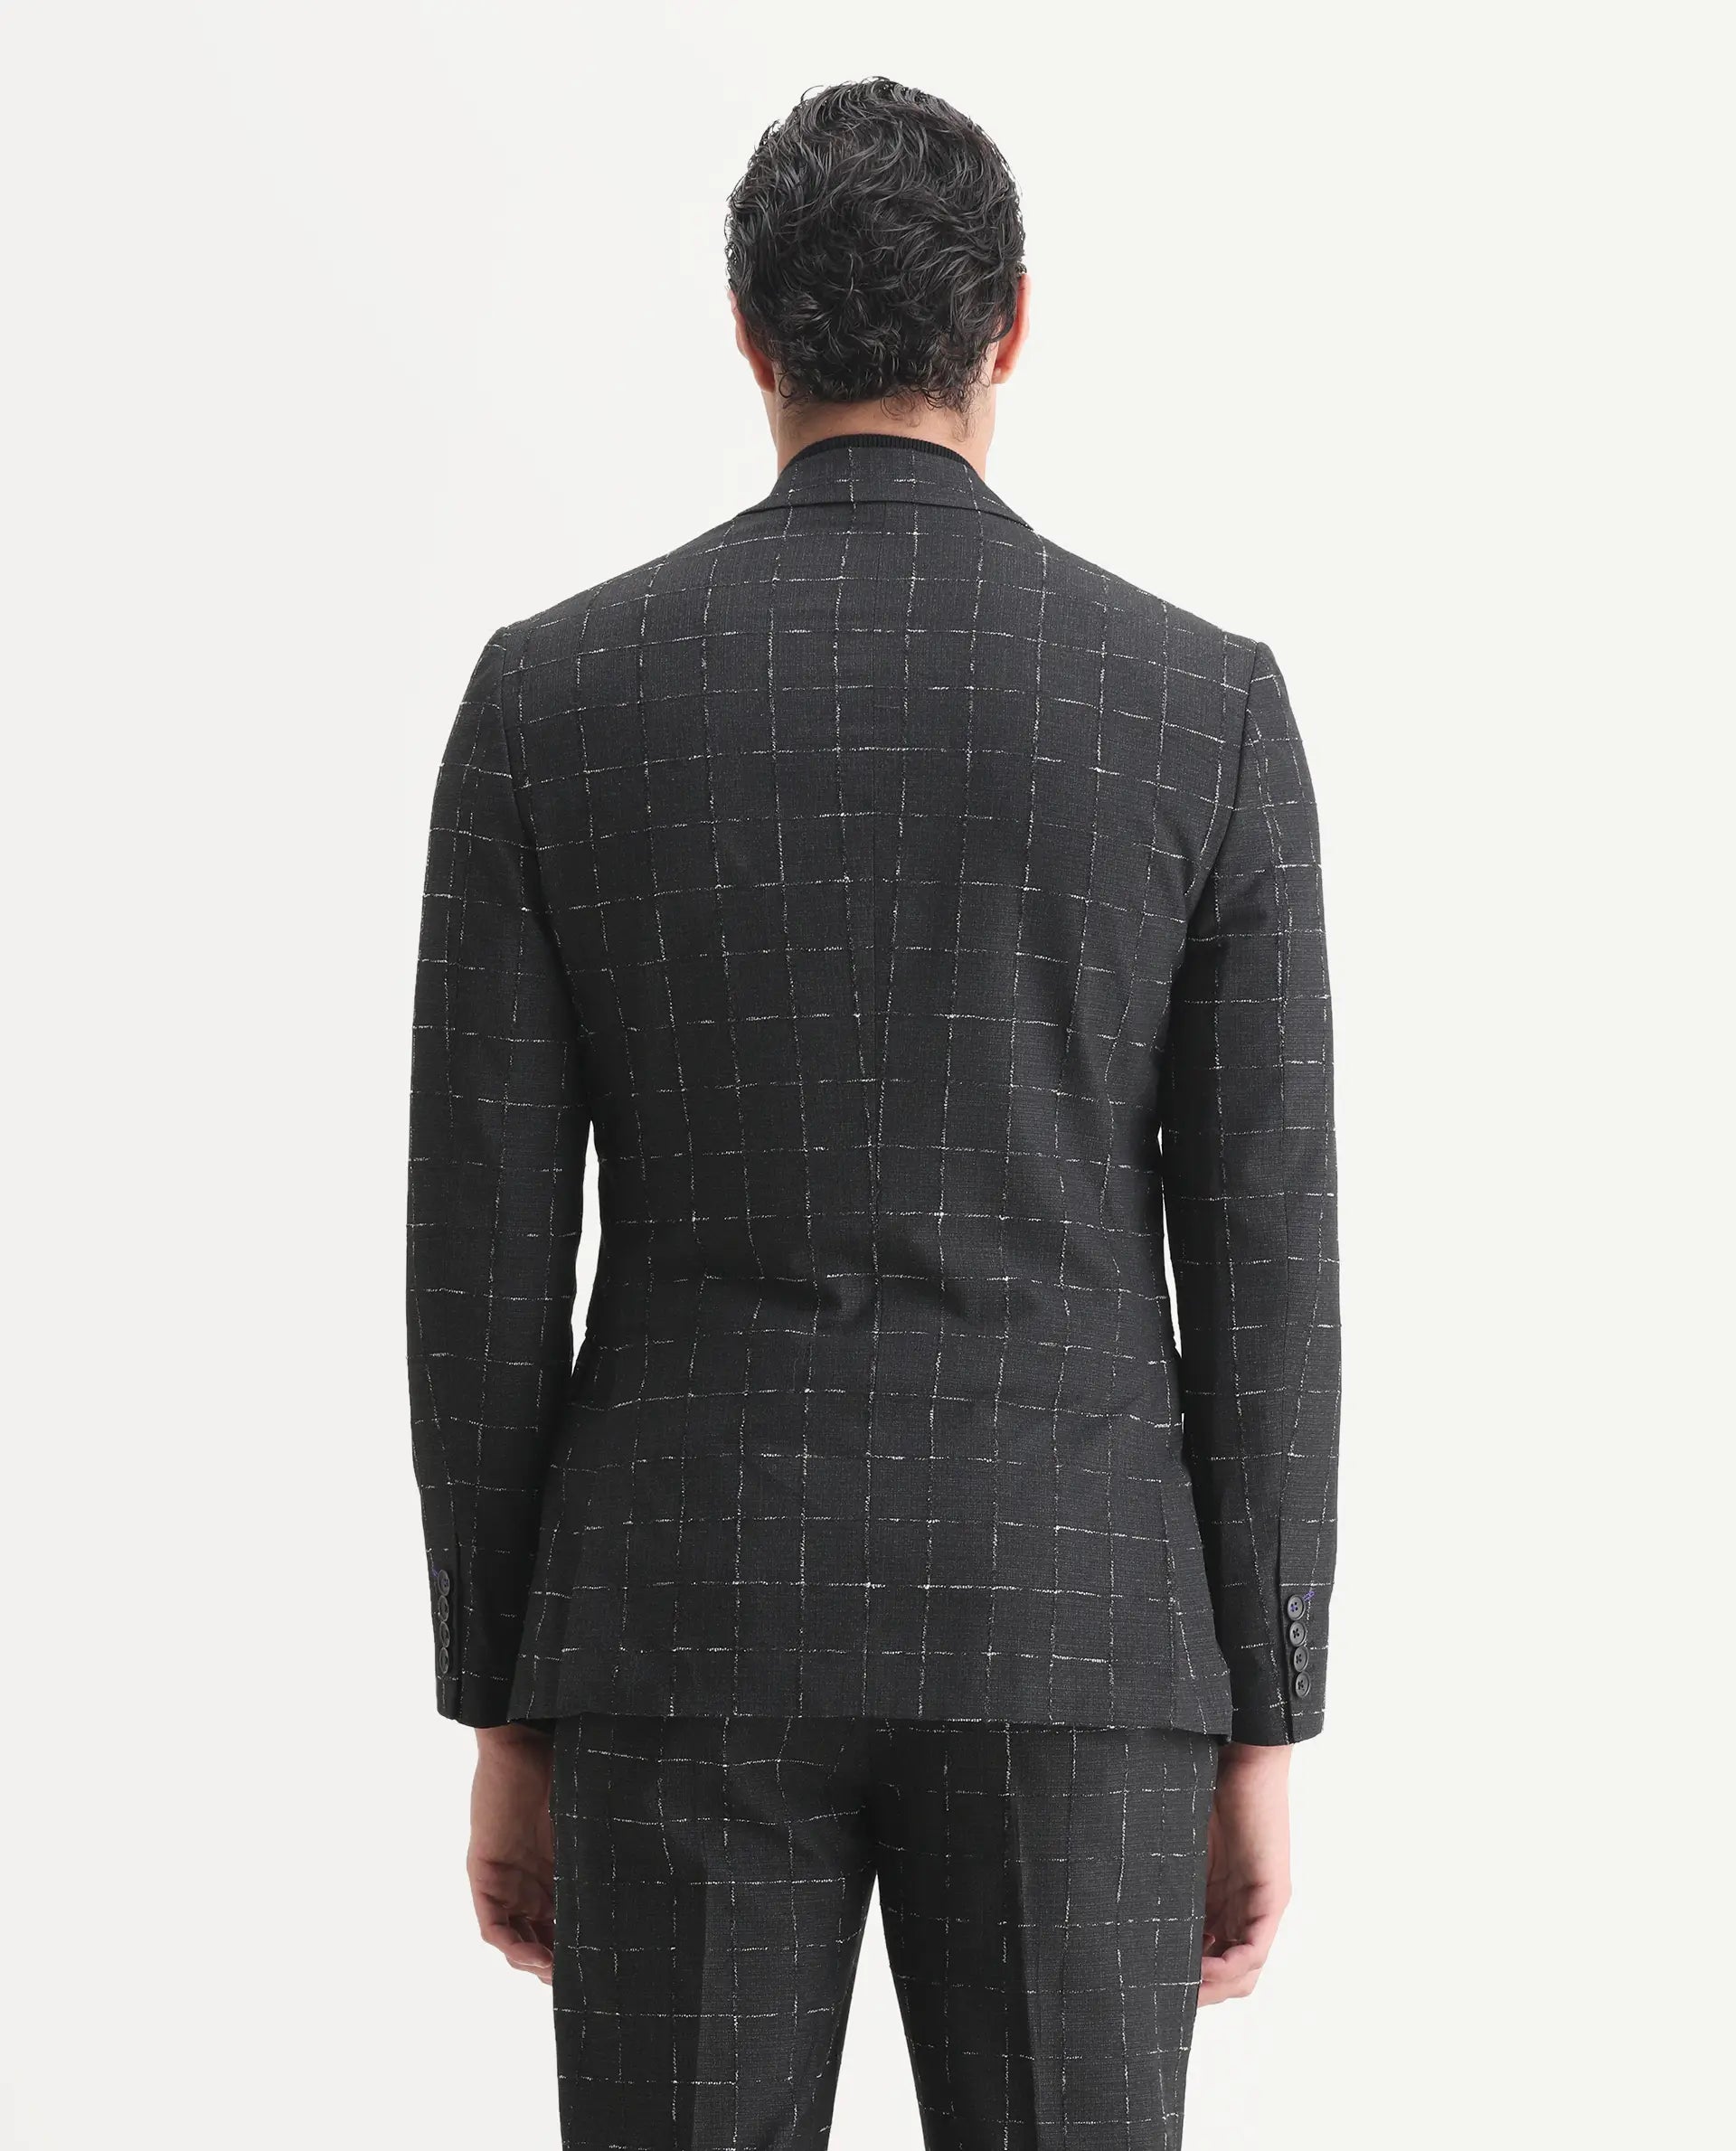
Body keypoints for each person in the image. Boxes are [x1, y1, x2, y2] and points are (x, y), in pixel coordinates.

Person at [407, 76, 1339, 2151]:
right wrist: (1264, 1708)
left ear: (747, 335)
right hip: (1077, 1631)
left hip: (678, 1619)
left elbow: (478, 1257)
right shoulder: (1194, 708)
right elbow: (1268, 1249)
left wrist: (503, 1691)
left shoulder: (555, 703)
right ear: (1015, 324)